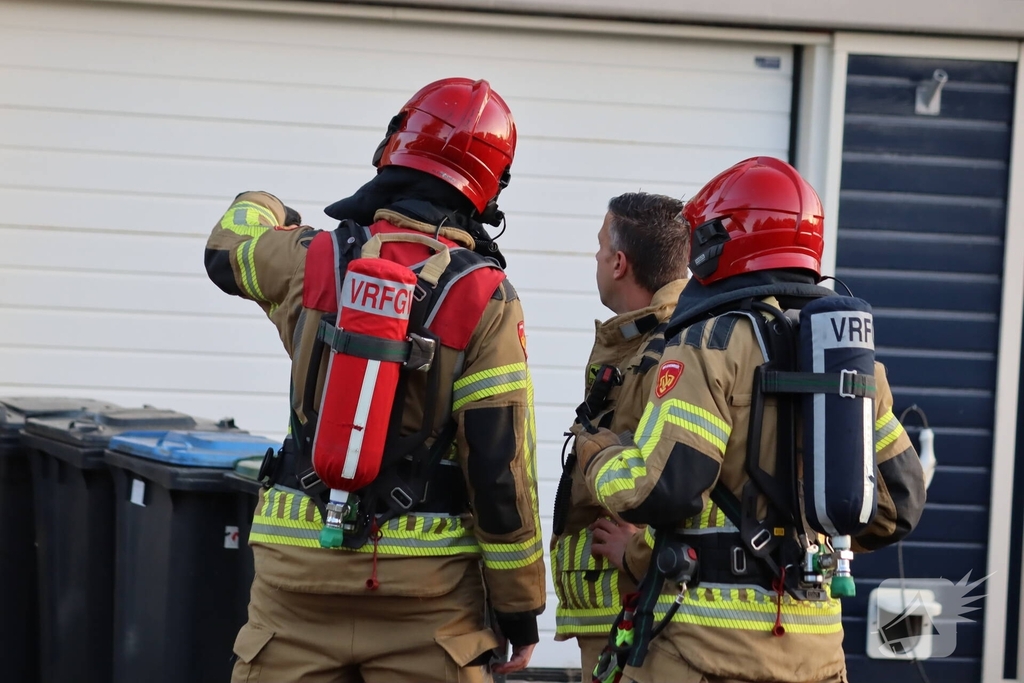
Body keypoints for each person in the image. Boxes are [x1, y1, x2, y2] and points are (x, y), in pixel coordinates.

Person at [204, 78, 545, 683]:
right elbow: (498, 466)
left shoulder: (310, 259)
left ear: (395, 144)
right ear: (491, 186)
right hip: (427, 601)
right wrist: (519, 608)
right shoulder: (487, 300)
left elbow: (226, 250)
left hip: (296, 582)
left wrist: (263, 203)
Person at [573, 157, 927, 683]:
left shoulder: (708, 343)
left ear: (720, 241)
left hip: (706, 651)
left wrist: (597, 456)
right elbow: (898, 506)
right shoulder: (849, 360)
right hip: (818, 654)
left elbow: (662, 488)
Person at [549, 192, 689, 675]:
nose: (595, 255)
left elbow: (684, 478)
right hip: (621, 611)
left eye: (600, 245)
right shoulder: (646, 342)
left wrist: (638, 549)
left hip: (637, 610)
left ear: (620, 263)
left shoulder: (671, 352)